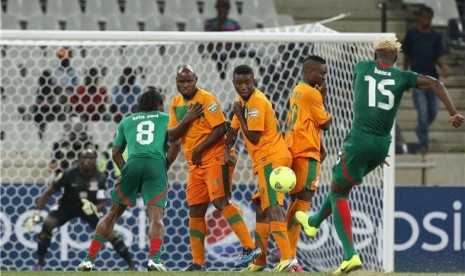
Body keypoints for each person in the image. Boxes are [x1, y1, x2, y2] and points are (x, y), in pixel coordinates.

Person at [295, 37, 464, 275]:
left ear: (375, 55)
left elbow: (360, 91)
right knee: (341, 187)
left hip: (360, 141)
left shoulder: (361, 67)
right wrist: (453, 112)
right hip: (382, 146)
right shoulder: (402, 77)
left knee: (337, 192)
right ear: (395, 58)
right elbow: (436, 83)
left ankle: (350, 255)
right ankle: (313, 224)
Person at [167, 65, 261, 271]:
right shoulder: (175, 104)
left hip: (215, 157)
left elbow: (221, 128)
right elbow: (173, 136)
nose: (185, 85)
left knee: (220, 201)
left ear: (196, 79)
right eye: (181, 81)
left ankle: (249, 247)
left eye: (189, 81)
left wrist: (200, 148)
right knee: (196, 210)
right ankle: (198, 263)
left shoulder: (206, 99)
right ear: (176, 81)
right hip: (196, 165)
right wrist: (188, 119)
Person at [77, 87, 180, 271]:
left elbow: (115, 152)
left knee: (112, 214)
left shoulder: (126, 121)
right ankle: (154, 260)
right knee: (156, 217)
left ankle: (88, 260)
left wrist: (126, 172)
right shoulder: (166, 119)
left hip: (132, 163)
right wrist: (164, 166)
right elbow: (176, 143)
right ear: (158, 105)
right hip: (156, 164)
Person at [224, 64, 298, 272]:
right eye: (239, 83)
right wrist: (226, 149)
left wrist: (238, 113)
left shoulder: (255, 101)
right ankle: (260, 261)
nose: (243, 86)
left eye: (247, 82)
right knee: (261, 208)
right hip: (265, 159)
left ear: (254, 81)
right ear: (234, 83)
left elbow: (254, 137)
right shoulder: (241, 102)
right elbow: (232, 131)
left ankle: (287, 257)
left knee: (273, 207)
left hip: (271, 158)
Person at [24, 149, 137, 271]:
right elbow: (48, 192)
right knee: (48, 224)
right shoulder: (68, 174)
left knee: (110, 233)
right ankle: (39, 264)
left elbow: (102, 203)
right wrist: (36, 213)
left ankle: (132, 265)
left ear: (95, 161)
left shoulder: (100, 177)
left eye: (91, 158)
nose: (87, 160)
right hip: (67, 206)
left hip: (89, 208)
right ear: (78, 160)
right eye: (84, 157)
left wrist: (94, 207)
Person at [271, 55, 332, 272]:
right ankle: (286, 250)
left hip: (293, 147)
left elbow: (308, 121)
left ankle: (287, 254)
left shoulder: (298, 89)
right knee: (303, 204)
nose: (324, 76)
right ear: (307, 72)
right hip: (306, 152)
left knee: (295, 203)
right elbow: (325, 124)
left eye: (325, 73)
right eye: (320, 73)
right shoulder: (312, 93)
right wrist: (323, 97)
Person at [402, 6, 449, 155]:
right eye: (424, 17)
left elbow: (438, 56)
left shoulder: (435, 36)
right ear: (419, 18)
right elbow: (407, 55)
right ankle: (424, 144)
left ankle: (420, 130)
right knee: (422, 112)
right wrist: (405, 75)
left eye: (429, 18)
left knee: (433, 112)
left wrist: (443, 68)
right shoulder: (412, 34)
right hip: (417, 79)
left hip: (433, 80)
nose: (427, 21)